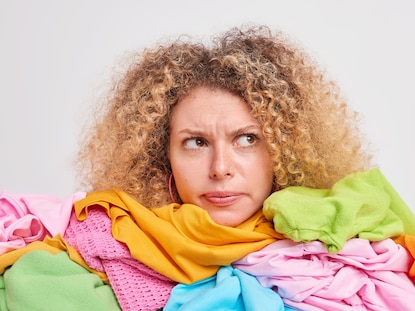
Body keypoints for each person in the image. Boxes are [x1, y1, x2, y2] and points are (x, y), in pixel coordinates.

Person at [75, 24, 374, 228]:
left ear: (285, 149)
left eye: (246, 139)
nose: (220, 168)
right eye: (196, 142)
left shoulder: (349, 257)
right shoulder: (106, 250)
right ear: (162, 157)